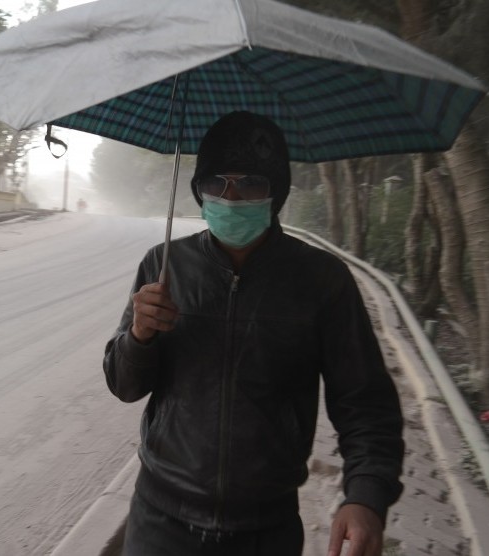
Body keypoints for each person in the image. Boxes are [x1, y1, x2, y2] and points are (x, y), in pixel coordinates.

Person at [103, 111, 404, 556]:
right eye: (217, 183)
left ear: (276, 193)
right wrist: (139, 338)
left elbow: (366, 404)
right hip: (159, 519)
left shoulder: (323, 280)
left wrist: (366, 497)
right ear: (198, 191)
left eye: (250, 184)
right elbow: (124, 385)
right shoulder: (164, 266)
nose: (231, 196)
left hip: (267, 530)